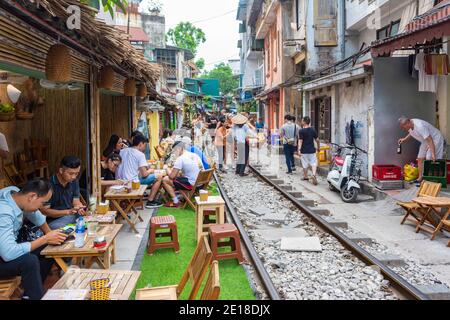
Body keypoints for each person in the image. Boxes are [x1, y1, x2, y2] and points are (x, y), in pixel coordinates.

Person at [0, 179, 67, 300]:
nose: (42, 207)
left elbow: (34, 214)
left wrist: (50, 234)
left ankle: (30, 293)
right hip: (3, 255)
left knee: (48, 249)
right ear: (32, 196)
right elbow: (8, 253)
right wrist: (45, 238)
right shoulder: (4, 212)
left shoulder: (15, 194)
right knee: (29, 261)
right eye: (42, 203)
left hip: (5, 250)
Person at [116, 135, 164, 209]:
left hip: (119, 181)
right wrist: (151, 170)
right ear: (140, 144)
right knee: (159, 176)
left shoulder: (122, 151)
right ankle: (150, 201)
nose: (145, 148)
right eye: (145, 145)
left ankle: (146, 198)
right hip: (132, 183)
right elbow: (144, 174)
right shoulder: (140, 154)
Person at [40, 156, 86, 230]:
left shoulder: (74, 181)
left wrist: (79, 207)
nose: (74, 177)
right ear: (61, 170)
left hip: (71, 216)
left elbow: (76, 201)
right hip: (54, 221)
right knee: (56, 226)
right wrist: (67, 212)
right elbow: (45, 211)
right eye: (71, 174)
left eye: (76, 173)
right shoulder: (49, 185)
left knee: (85, 219)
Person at [398, 117, 445, 182]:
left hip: (435, 139)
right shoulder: (410, 125)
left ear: (408, 123)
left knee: (430, 158)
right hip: (425, 140)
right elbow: (411, 132)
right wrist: (404, 139)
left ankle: (432, 179)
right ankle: (420, 178)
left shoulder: (420, 126)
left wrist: (433, 154)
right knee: (420, 159)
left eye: (404, 127)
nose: (403, 129)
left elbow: (430, 140)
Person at [162, 141, 203, 208]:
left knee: (165, 179)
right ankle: (183, 196)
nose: (174, 153)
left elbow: (172, 176)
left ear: (178, 149)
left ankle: (176, 202)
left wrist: (166, 168)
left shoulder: (180, 158)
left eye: (174, 151)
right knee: (179, 176)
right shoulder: (194, 155)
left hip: (192, 185)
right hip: (201, 183)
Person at [298, 117, 320, 185]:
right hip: (312, 150)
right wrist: (318, 147)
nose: (301, 122)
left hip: (304, 150)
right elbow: (317, 140)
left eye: (302, 121)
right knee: (313, 163)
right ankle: (313, 175)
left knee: (305, 164)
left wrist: (299, 149)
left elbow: (300, 141)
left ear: (304, 122)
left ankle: (305, 176)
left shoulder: (301, 131)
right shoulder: (313, 130)